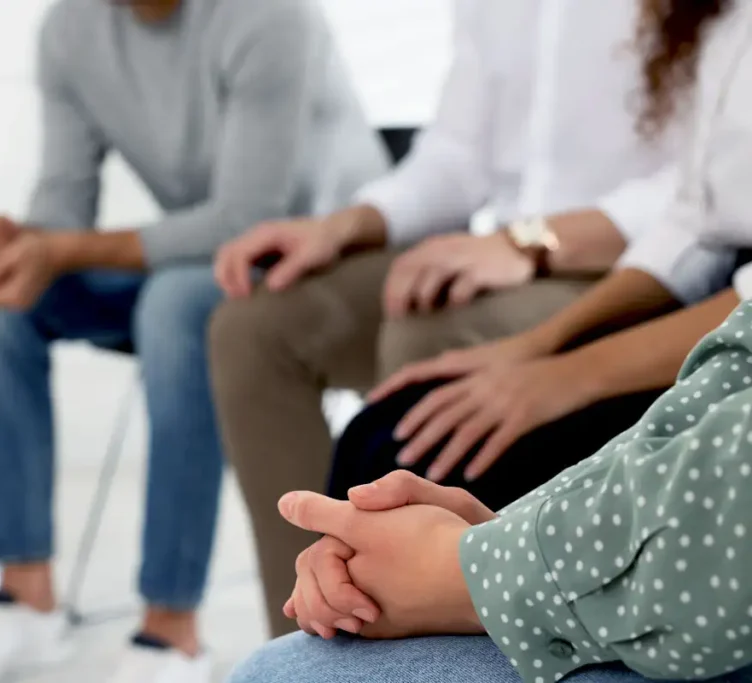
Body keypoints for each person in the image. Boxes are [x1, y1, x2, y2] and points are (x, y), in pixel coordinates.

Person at [230, 0, 752, 680]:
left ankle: (366, 594)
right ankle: (338, 594)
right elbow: (695, 219)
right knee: (378, 427)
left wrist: (470, 565)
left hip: (614, 272)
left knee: (418, 423)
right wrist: (532, 351)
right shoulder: (718, 23)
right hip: (676, 296)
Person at [0, 0, 388, 681]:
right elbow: (63, 203)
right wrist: (20, 246)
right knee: (7, 304)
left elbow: (248, 217)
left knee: (173, 305)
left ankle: (171, 629)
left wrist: (60, 245)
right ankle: (23, 598)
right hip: (208, 258)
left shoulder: (271, 18)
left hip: (318, 260)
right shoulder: (71, 30)